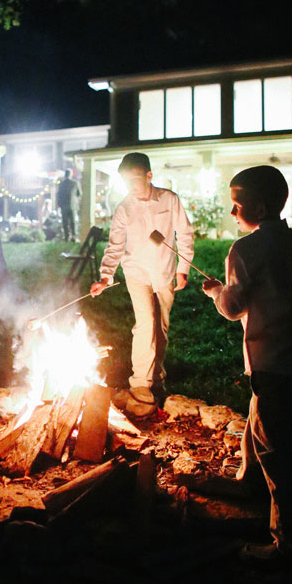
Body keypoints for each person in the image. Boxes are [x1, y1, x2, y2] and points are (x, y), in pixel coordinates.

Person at [203, 166, 292, 562]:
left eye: (237, 205)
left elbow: (235, 308)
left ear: (258, 206)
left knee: (276, 445)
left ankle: (289, 542)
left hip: (269, 358)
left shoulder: (245, 250)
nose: (233, 213)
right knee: (262, 419)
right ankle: (248, 480)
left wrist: (217, 292)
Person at [90, 151, 194, 411]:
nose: (131, 187)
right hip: (136, 272)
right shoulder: (124, 208)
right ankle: (140, 383)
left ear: (149, 175)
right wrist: (105, 276)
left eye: (135, 180)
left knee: (161, 328)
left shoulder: (169, 200)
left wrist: (183, 268)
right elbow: (115, 246)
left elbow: (185, 233)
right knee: (145, 323)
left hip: (165, 272)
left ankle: (156, 379)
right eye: (126, 182)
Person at [56, 169, 80, 240]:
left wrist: (60, 204)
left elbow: (59, 195)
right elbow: (79, 194)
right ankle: (74, 236)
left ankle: (66, 236)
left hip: (64, 206)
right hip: (73, 205)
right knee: (73, 221)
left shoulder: (62, 184)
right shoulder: (75, 183)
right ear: (71, 174)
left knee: (65, 222)